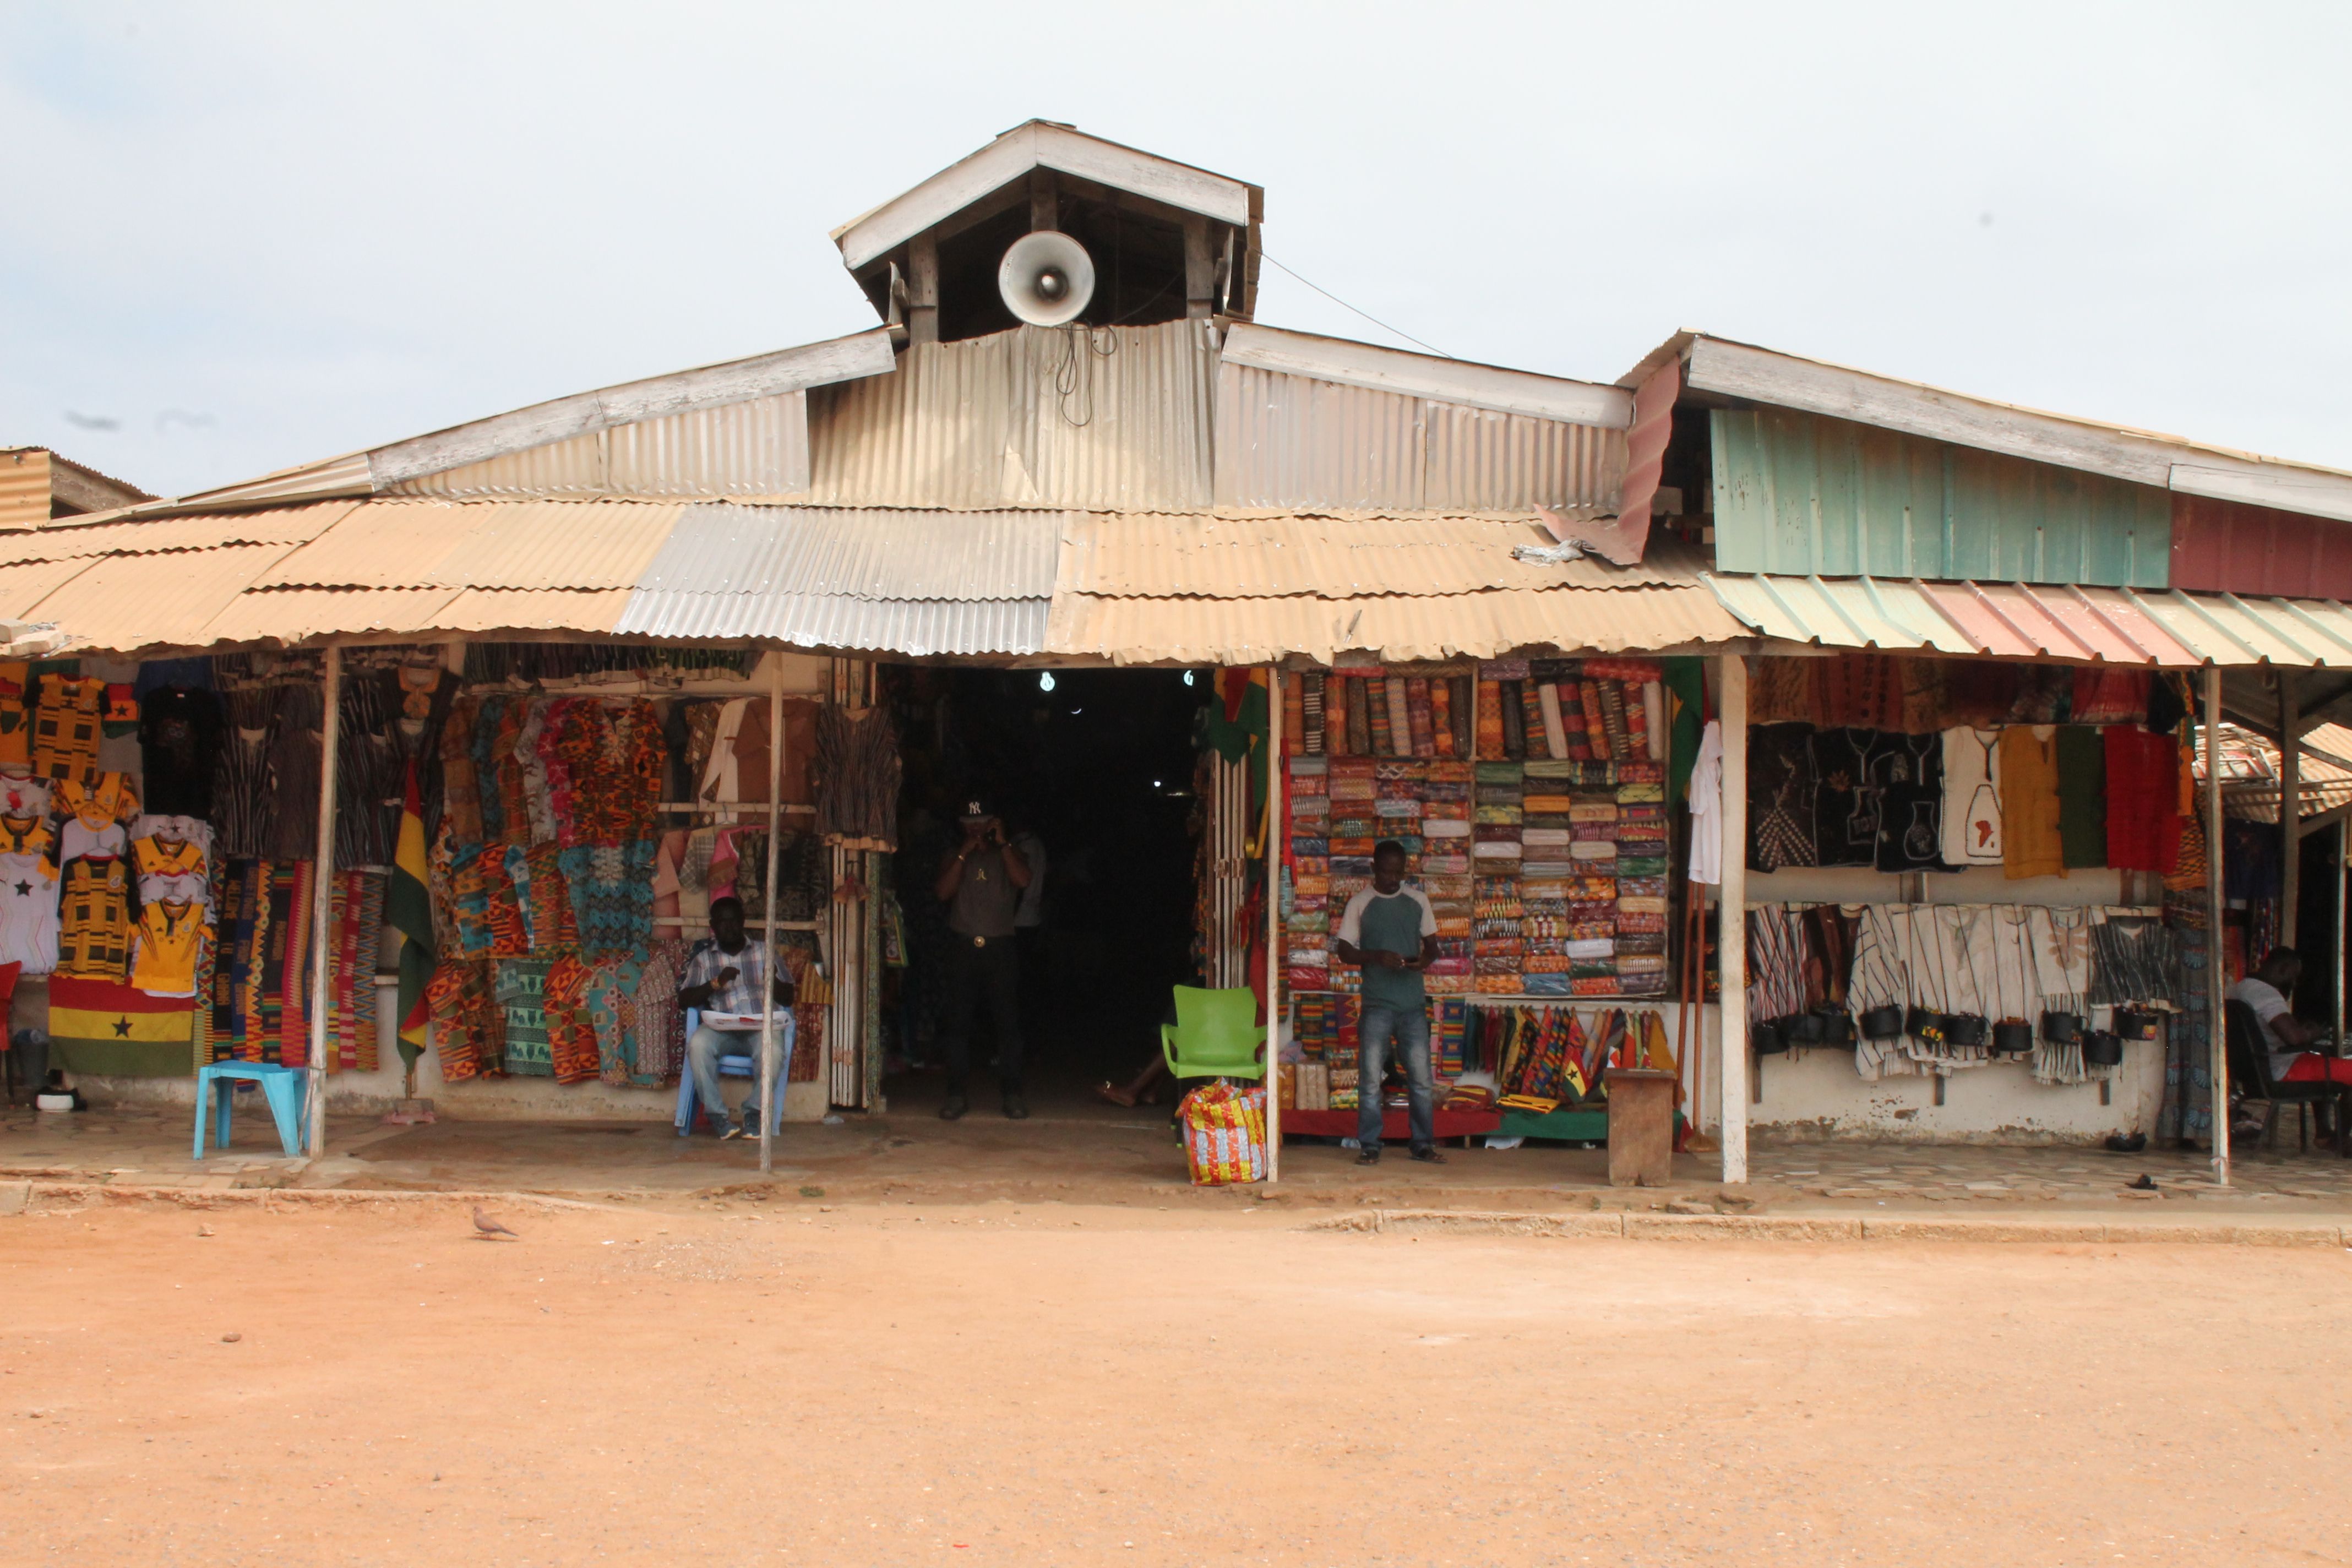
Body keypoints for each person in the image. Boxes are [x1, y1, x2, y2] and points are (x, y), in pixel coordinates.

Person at [1333, 839, 1442, 1166]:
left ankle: (1422, 1143)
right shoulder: (1360, 903)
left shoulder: (1418, 900)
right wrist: (1375, 956)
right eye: (1386, 872)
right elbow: (1344, 951)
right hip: (1377, 1004)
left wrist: (1420, 963)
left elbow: (1433, 948)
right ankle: (1369, 1144)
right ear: (1373, 869)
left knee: (1421, 1080)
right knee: (1369, 1079)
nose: (1393, 879)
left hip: (1412, 1003)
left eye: (1398, 872)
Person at [934, 796, 1031, 1121]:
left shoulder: (1010, 855)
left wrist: (1002, 843)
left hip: (1000, 947)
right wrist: (964, 851)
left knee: (1008, 1026)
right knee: (958, 1025)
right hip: (963, 947)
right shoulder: (954, 856)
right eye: (970, 824)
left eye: (982, 823)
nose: (976, 829)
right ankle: (955, 1095)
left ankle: (1012, 1094)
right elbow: (943, 893)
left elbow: (1023, 880)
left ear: (994, 823)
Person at [676, 896, 796, 1139]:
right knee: (698, 1045)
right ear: (713, 925)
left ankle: (754, 1114)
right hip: (722, 1028)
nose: (728, 927)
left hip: (760, 1027)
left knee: (772, 1050)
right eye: (722, 922)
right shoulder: (705, 959)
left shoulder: (765, 952)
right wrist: (716, 982)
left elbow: (789, 997)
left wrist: (771, 979)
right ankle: (718, 1117)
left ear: (743, 922)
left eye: (733, 921)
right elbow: (684, 1000)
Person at [2231, 948, 2350, 1086]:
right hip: (2280, 1069)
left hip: (2255, 1070)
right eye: (2293, 977)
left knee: (2333, 1072)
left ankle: (2332, 1105)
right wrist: (2313, 1033)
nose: (2294, 984)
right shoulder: (2265, 993)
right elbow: (2294, 1038)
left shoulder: (2238, 988)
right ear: (2284, 969)